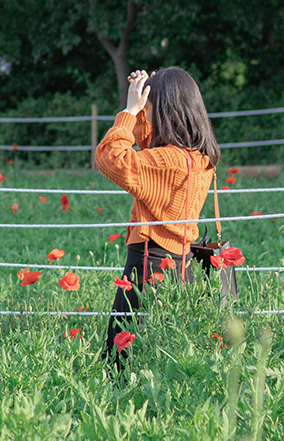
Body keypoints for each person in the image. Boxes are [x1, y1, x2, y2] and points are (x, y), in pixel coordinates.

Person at [94, 65, 220, 361]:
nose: (146, 114)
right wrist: (141, 109)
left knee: (120, 347)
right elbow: (152, 145)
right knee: (165, 345)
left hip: (148, 259)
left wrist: (128, 111)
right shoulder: (201, 158)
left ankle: (116, 400)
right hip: (183, 263)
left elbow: (110, 157)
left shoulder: (167, 162)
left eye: (150, 109)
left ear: (165, 111)